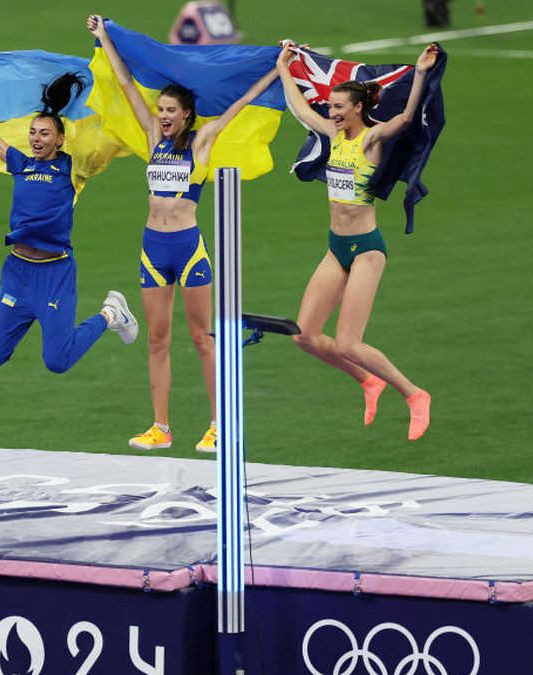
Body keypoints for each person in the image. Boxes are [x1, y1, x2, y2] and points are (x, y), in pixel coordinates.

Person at [87, 15, 279, 452]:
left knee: (201, 338)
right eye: (162, 110)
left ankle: (219, 424)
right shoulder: (153, 135)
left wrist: (277, 67)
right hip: (153, 247)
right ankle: (160, 427)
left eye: (171, 110)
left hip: (189, 248)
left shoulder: (203, 141)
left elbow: (244, 101)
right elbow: (127, 86)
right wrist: (104, 38)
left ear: (188, 114)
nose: (164, 115)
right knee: (157, 339)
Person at [275, 41, 438, 441]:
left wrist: (420, 74)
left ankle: (415, 394)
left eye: (338, 107)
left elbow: (406, 118)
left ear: (357, 109)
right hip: (336, 247)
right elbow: (299, 108)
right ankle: (368, 380)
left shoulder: (371, 140)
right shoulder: (333, 134)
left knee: (349, 341)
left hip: (366, 251)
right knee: (305, 335)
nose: (331, 111)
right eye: (330, 106)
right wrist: (283, 66)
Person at [0, 50, 139, 375]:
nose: (36, 138)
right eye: (33, 132)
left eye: (44, 133)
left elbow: (109, 137)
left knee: (57, 361)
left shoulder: (72, 168)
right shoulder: (19, 164)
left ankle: (110, 315)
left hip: (54, 275)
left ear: (61, 139)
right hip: (18, 273)